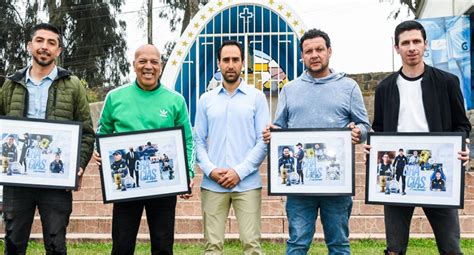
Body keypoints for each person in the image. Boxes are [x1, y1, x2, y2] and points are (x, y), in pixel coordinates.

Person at [263, 28, 370, 254]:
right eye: (308, 51)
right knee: (297, 243)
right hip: (300, 184)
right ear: (302, 56)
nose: (314, 55)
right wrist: (272, 134)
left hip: (337, 182)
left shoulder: (348, 87)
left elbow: (365, 127)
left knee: (339, 243)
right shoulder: (290, 90)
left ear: (329, 51)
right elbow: (280, 127)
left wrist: (357, 133)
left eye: (319, 49)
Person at [370, 20, 471, 255]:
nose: (411, 47)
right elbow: (379, 129)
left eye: (416, 41)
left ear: (425, 44)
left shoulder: (447, 82)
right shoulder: (385, 88)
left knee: (450, 247)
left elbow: (462, 124)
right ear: (397, 48)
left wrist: (461, 144)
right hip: (400, 171)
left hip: (437, 171)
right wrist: (373, 148)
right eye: (405, 43)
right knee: (394, 249)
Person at [0, 23, 94, 254]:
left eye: (51, 43)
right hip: (17, 180)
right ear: (29, 45)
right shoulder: (10, 84)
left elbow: (87, 132)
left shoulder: (72, 85)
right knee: (13, 243)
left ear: (59, 51)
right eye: (40, 41)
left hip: (56, 180)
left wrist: (78, 165)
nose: (44, 47)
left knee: (56, 245)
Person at [95, 44, 194, 255]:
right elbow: (102, 132)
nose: (148, 66)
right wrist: (100, 150)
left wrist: (188, 173)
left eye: (154, 62)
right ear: (134, 65)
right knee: (122, 245)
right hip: (127, 183)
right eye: (142, 61)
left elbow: (187, 140)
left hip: (163, 185)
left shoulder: (176, 100)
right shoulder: (115, 97)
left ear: (161, 66)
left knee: (163, 245)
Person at [194, 40, 269, 255]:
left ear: (243, 63)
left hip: (247, 183)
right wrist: (210, 170)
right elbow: (198, 140)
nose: (230, 64)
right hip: (213, 183)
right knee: (212, 247)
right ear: (218, 63)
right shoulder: (205, 100)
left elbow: (263, 140)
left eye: (235, 60)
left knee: (252, 246)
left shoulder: (256, 98)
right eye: (225, 60)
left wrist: (239, 172)